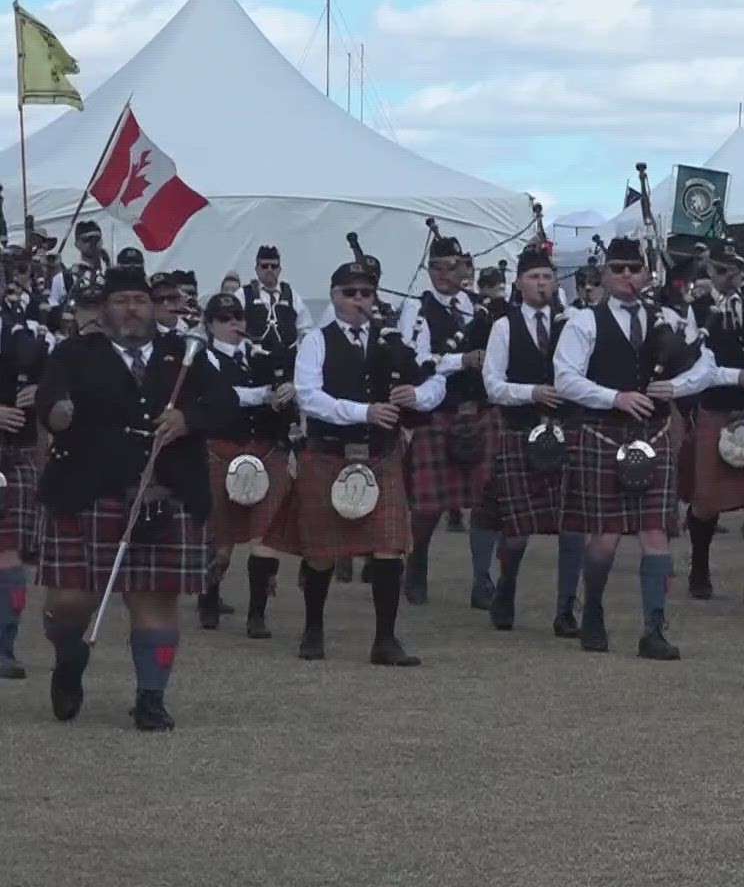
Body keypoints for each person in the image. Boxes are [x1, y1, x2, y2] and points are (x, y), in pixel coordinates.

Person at [36, 265, 239, 729]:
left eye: (140, 300)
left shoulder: (181, 353)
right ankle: (69, 658)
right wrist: (59, 412)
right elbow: (52, 401)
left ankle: (150, 699)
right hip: (85, 494)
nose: (132, 308)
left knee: (155, 600)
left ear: (153, 307)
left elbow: (224, 402)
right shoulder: (75, 353)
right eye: (121, 300)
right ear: (104, 309)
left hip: (164, 493)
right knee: (71, 601)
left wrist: (188, 420)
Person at [258, 260, 444, 666]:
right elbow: (309, 396)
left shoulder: (391, 339)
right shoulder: (317, 341)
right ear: (334, 295)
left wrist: (420, 395)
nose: (359, 300)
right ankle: (313, 629)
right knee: (322, 551)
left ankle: (385, 640)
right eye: (350, 293)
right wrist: (364, 412)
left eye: (366, 293)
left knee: (389, 548)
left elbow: (434, 377)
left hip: (381, 455)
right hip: (329, 453)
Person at [554, 237, 710, 657]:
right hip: (604, 431)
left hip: (654, 433)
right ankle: (593, 613)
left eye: (634, 269)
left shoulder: (668, 317)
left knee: (655, 535)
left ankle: (653, 631)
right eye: (618, 268)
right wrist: (615, 397)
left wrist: (677, 386)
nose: (626, 276)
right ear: (604, 274)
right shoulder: (584, 321)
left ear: (645, 273)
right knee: (605, 537)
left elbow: (705, 364)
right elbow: (565, 378)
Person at [478, 247, 587, 636]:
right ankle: (505, 589)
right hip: (520, 432)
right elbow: (493, 386)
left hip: (569, 432)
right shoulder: (503, 327)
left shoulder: (574, 323)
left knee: (574, 525)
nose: (541, 284)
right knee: (517, 528)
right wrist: (532, 393)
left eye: (547, 277)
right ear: (519, 284)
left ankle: (565, 610)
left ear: (556, 283)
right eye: (533, 278)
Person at [397, 235, 498, 607]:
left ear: (465, 268)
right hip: (438, 412)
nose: (444, 273)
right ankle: (417, 562)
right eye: (437, 266)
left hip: (480, 410)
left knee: (488, 502)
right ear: (428, 270)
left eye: (452, 266)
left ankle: (482, 579)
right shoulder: (416, 310)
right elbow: (416, 360)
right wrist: (462, 361)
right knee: (428, 507)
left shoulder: (478, 307)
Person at [683, 243, 744, 604]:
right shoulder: (695, 311)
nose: (732, 278)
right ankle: (699, 569)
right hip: (717, 407)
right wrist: (735, 378)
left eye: (737, 271)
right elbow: (692, 364)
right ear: (710, 270)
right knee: (706, 497)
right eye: (724, 271)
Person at [198, 293, 298, 636]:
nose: (235, 325)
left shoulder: (262, 357)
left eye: (239, 317)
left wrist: (288, 392)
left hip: (266, 450)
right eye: (225, 319)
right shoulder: (203, 358)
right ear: (209, 324)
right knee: (222, 543)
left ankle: (258, 613)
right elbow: (222, 395)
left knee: (267, 535)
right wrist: (264, 395)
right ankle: (209, 597)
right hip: (221, 451)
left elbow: (285, 390)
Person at [0, 304, 52, 679]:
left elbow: (70, 386)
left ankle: (4, 645)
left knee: (9, 556)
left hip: (15, 455)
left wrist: (45, 392)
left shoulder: (28, 339)